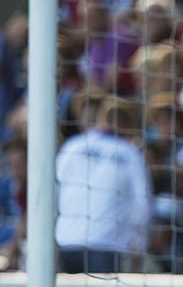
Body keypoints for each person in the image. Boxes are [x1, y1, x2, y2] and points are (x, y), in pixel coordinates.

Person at [55, 95, 152, 273]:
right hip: (108, 246)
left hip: (67, 242)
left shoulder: (72, 146)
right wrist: (139, 247)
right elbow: (141, 206)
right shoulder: (130, 153)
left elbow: (54, 193)